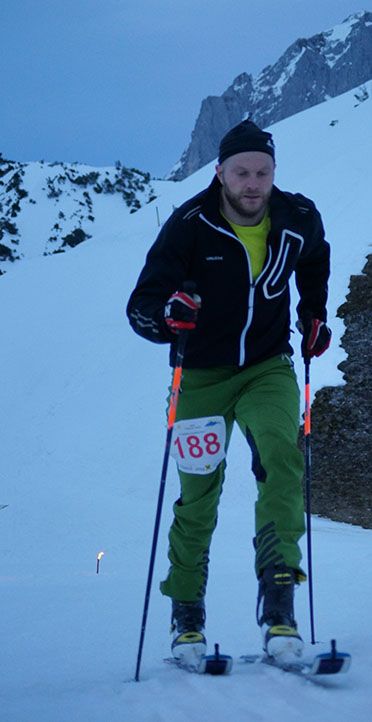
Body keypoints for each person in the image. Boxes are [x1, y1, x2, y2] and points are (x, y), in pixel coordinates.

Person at [126, 120, 331, 666]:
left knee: (282, 459)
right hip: (200, 377)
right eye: (241, 172)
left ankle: (280, 610)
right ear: (219, 172)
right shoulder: (189, 225)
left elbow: (315, 257)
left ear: (274, 172)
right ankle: (187, 618)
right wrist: (168, 317)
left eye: (262, 172)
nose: (252, 183)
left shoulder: (298, 217)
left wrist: (313, 312)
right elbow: (141, 306)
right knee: (199, 497)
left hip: (268, 366)